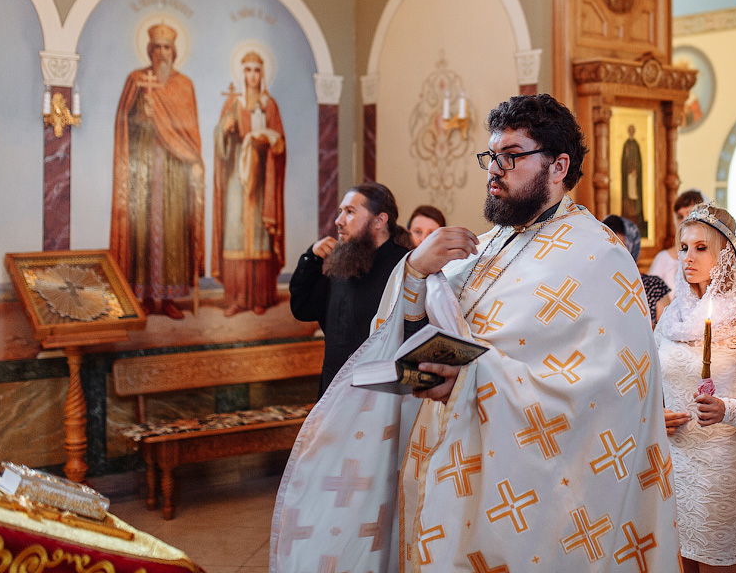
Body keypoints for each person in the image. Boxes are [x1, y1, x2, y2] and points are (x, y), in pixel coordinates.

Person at [272, 93, 676, 573]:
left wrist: (473, 377)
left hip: (524, 486)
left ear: (558, 166)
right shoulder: (487, 246)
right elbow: (418, 328)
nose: (494, 169)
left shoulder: (599, 255)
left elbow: (611, 389)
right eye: (491, 157)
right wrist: (416, 272)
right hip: (451, 455)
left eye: (512, 156)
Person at [657, 203, 736, 573]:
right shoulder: (670, 317)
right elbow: (650, 385)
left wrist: (727, 409)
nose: (688, 258)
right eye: (683, 248)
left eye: (701, 248)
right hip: (673, 468)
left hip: (722, 475)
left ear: (725, 254)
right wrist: (653, 414)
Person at [109, 21, 204, 320]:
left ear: (174, 52)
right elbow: (124, 125)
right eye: (157, 48)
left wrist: (195, 164)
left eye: (167, 48)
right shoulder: (136, 80)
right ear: (150, 51)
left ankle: (170, 300)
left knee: (173, 230)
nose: (162, 53)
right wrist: (142, 116)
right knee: (143, 231)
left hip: (175, 173)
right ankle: (146, 297)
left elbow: (190, 133)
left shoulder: (183, 85)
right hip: (144, 170)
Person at [288, 182, 411, 395]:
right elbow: (303, 309)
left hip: (380, 394)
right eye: (340, 212)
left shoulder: (404, 267)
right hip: (334, 388)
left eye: (350, 212)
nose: (339, 220)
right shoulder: (342, 262)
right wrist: (311, 259)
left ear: (380, 220)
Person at [212, 51, 286, 316]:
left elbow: (281, 144)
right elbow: (219, 139)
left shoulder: (270, 105)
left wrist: (270, 140)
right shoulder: (233, 102)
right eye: (247, 70)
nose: (251, 75)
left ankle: (259, 297)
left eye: (256, 70)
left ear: (262, 74)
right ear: (241, 73)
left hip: (262, 178)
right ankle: (235, 298)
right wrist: (224, 128)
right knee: (235, 232)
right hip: (237, 179)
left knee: (259, 234)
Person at [603, 213, 671, 324]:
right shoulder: (594, 286)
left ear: (632, 247)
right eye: (607, 245)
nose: (613, 253)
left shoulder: (654, 286)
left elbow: (667, 334)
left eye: (620, 246)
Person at [649, 188, 705, 290]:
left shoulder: (709, 257)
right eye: (680, 217)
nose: (684, 221)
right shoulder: (663, 259)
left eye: (689, 214)